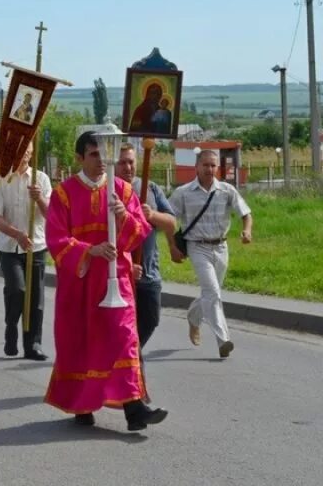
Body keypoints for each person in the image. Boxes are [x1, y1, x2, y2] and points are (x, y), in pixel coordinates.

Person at [44, 131, 168, 431]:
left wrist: (124, 216)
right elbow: (56, 239)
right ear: (80, 157)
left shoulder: (123, 192)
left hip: (118, 279)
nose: (100, 161)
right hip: (82, 281)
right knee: (83, 342)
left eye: (103, 154)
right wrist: (91, 250)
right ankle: (82, 404)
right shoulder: (64, 194)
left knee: (124, 338)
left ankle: (134, 408)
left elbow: (140, 233)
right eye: (93, 155)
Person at [169, 149, 253, 359]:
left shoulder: (226, 190)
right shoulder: (183, 192)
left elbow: (246, 213)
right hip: (197, 247)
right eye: (205, 165)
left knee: (211, 293)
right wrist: (172, 246)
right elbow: (169, 220)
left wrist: (247, 230)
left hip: (221, 247)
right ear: (196, 166)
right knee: (213, 293)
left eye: (213, 165)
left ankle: (193, 317)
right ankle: (223, 339)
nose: (209, 169)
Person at [0, 141, 51, 361]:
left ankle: (33, 344)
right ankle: (11, 327)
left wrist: (39, 198)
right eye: (21, 152)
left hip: (36, 245)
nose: (25, 157)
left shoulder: (40, 179)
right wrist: (17, 235)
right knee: (17, 289)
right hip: (9, 246)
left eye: (28, 152)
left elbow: (52, 214)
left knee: (36, 297)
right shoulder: (0, 179)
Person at [115, 143, 176, 348]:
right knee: (123, 326)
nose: (127, 167)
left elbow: (171, 222)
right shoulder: (109, 192)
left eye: (130, 162)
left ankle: (130, 354)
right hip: (122, 274)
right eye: (122, 162)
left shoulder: (149, 188)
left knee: (151, 320)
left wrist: (152, 215)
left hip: (149, 273)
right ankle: (130, 362)